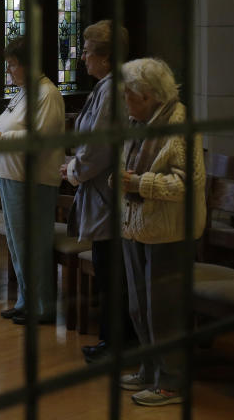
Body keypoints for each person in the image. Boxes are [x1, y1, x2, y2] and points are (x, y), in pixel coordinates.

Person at [116, 58, 205, 407]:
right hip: (137, 226)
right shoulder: (142, 121)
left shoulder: (179, 124)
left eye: (129, 95)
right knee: (140, 307)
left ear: (149, 95)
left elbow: (189, 182)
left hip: (169, 232)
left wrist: (139, 183)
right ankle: (150, 368)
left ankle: (171, 383)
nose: (124, 101)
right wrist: (122, 180)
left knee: (163, 310)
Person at [60, 20, 137, 363]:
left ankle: (117, 344)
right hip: (102, 193)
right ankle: (112, 340)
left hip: (110, 197)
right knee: (109, 272)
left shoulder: (113, 89)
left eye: (88, 52)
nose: (83, 59)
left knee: (114, 274)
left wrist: (75, 171)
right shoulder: (106, 85)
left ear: (106, 58)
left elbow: (101, 143)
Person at [0, 35, 65, 325]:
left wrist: (0, 136)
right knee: (18, 244)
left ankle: (41, 305)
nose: (10, 72)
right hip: (11, 174)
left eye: (13, 65)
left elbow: (42, 139)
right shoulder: (23, 92)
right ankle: (25, 300)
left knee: (33, 243)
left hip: (33, 182)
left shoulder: (48, 94)